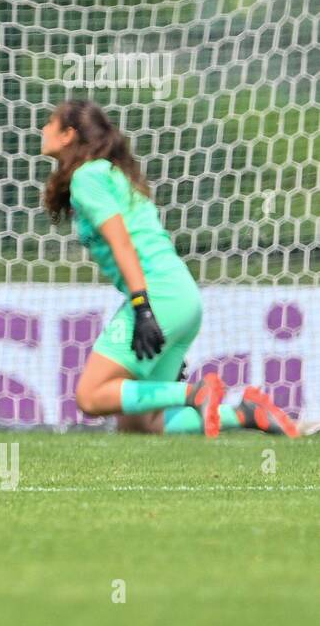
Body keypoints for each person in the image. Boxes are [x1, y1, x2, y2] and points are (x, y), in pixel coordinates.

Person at [41, 99, 297, 437]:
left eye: (50, 123)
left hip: (157, 296)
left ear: (68, 135)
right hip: (181, 296)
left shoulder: (87, 177)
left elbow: (122, 244)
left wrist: (142, 307)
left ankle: (193, 393)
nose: (43, 129)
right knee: (138, 424)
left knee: (90, 396)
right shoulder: (109, 173)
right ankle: (247, 414)